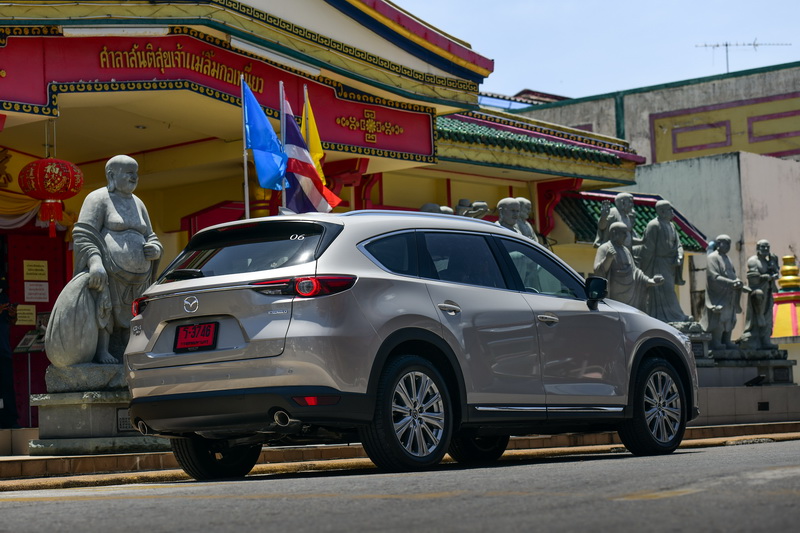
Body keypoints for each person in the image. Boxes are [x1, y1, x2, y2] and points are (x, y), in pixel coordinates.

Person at [45, 155, 163, 366]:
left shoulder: (138, 203)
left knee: (135, 313)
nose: (134, 178)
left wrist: (155, 248)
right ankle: (102, 349)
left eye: (136, 173)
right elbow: (84, 234)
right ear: (111, 175)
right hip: (110, 268)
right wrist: (95, 261)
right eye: (129, 173)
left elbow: (150, 235)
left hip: (139, 275)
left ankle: (130, 348)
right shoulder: (98, 198)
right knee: (106, 308)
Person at [639, 200, 691, 323]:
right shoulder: (653, 225)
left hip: (670, 264)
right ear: (661, 212)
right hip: (658, 263)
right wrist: (644, 268)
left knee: (669, 289)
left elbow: (678, 244)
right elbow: (648, 248)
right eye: (669, 209)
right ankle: (675, 316)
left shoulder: (671, 226)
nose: (672, 212)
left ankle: (673, 316)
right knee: (664, 290)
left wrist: (679, 256)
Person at [593, 222, 663, 311]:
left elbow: (636, 273)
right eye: (623, 233)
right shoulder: (604, 248)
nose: (626, 236)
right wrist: (608, 258)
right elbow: (598, 272)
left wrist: (651, 281)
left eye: (627, 233)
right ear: (614, 233)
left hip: (631, 298)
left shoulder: (625, 250)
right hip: (614, 298)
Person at [701, 235, 743, 350]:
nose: (728, 246)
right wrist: (731, 283)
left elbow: (732, 274)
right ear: (719, 244)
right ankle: (716, 341)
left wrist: (737, 281)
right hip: (718, 295)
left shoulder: (727, 258)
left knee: (730, 318)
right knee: (719, 319)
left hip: (729, 294)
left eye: (729, 243)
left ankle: (727, 340)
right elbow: (713, 277)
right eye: (726, 243)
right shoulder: (712, 257)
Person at [740, 239, 780, 350]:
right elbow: (753, 278)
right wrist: (766, 277)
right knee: (757, 317)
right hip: (758, 294)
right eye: (763, 247)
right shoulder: (753, 261)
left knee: (768, 317)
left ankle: (766, 340)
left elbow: (775, 273)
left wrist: (774, 266)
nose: (766, 249)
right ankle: (755, 339)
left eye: (767, 247)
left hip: (768, 291)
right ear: (757, 248)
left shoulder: (768, 261)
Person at [0, 278, 18, 428]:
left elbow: (11, 322)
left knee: (6, 387)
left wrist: (12, 315)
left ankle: (10, 420)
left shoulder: (4, 297)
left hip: (4, 351)